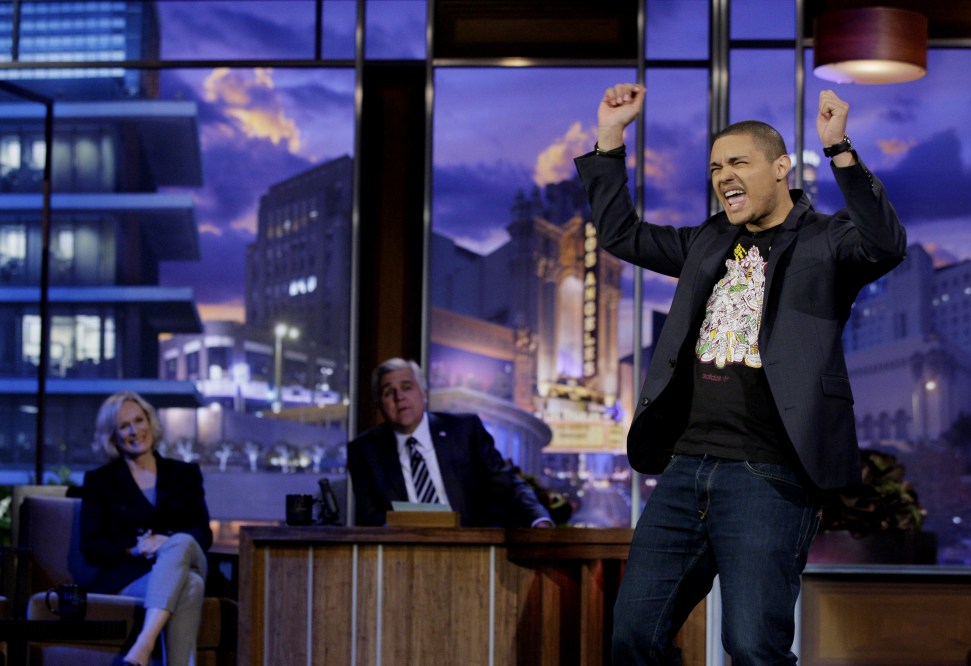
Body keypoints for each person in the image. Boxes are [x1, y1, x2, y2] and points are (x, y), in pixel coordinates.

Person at [575, 84, 906, 664]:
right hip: (685, 468)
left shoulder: (827, 240)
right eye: (714, 168)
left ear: (780, 168)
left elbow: (885, 243)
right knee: (634, 637)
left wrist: (839, 150)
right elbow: (623, 234)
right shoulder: (708, 240)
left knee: (753, 648)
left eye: (738, 163)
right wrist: (609, 138)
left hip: (769, 475)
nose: (723, 175)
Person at [80, 391, 212, 666]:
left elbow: (203, 532)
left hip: (187, 558)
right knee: (190, 585)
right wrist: (134, 548)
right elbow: (92, 547)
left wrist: (167, 542)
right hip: (131, 577)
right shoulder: (100, 481)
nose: (134, 431)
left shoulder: (184, 474)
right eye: (124, 426)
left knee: (181, 541)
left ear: (150, 422)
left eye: (139, 420)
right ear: (112, 436)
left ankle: (143, 644)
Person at [348, 357, 554, 528]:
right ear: (379, 404)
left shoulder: (465, 431)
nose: (399, 397)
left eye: (406, 387)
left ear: (424, 393)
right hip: (402, 552)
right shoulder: (364, 451)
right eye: (388, 392)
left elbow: (507, 484)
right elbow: (370, 517)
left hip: (471, 547)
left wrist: (538, 519)